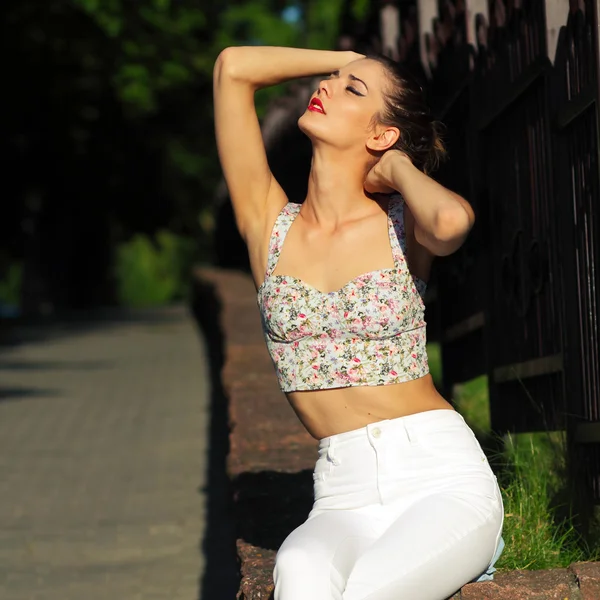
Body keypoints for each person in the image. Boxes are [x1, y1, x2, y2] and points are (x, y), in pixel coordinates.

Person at [213, 46, 504, 600]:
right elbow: (232, 68)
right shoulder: (268, 226)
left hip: (439, 480)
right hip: (342, 495)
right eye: (333, 78)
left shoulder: (401, 225)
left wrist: (395, 166)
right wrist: (349, 56)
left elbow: (450, 222)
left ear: (381, 134)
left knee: (369, 591)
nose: (328, 84)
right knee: (298, 578)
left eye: (353, 89)